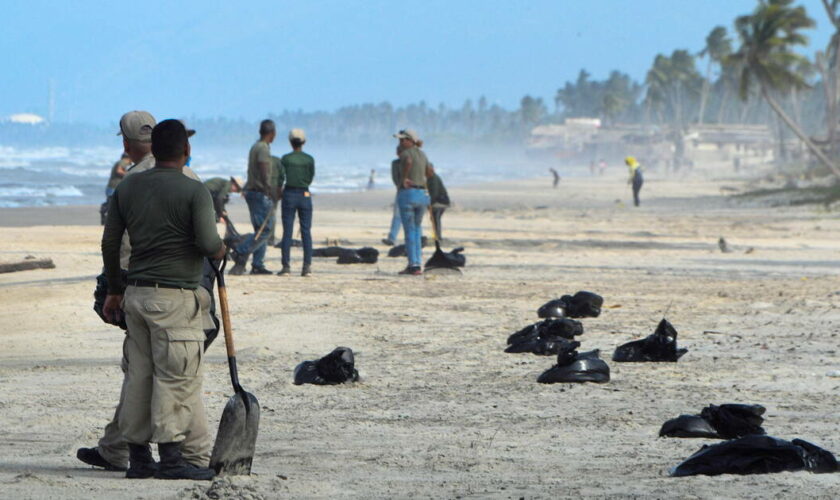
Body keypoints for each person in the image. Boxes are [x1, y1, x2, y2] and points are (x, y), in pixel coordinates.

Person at [78, 112, 217, 475]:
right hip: (178, 292)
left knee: (141, 375)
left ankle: (135, 456)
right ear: (185, 148)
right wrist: (219, 257)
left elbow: (112, 243)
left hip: (136, 292)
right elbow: (206, 242)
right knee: (178, 375)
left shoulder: (128, 185)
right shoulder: (192, 183)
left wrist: (115, 289)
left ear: (129, 145)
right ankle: (182, 458)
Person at [231, 120, 276, 275]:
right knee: (266, 230)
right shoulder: (262, 148)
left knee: (259, 229)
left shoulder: (255, 146)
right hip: (259, 192)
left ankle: (257, 264)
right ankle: (240, 251)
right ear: (271, 134)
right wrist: (269, 189)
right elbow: (264, 169)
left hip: (252, 191)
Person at [277, 129, 315, 277]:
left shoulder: (285, 158)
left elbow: (280, 178)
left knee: (287, 231)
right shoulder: (309, 159)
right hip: (304, 193)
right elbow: (310, 177)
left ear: (290, 142)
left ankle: (286, 266)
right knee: (306, 231)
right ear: (304, 142)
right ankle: (307, 266)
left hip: (289, 194)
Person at [394, 129, 431, 275]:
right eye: (400, 140)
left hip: (408, 194)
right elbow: (430, 172)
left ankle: (413, 265)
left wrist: (403, 178)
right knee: (416, 228)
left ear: (410, 140)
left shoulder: (405, 154)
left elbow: (408, 162)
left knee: (409, 230)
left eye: (403, 140)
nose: (401, 142)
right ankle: (418, 263)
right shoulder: (422, 154)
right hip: (422, 193)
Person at [100, 153, 131, 225]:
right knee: (113, 205)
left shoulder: (118, 162)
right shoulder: (123, 161)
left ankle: (104, 212)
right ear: (128, 158)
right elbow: (119, 170)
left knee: (111, 204)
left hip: (111, 187)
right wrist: (128, 174)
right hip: (114, 187)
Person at [382, 145, 403, 246]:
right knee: (397, 216)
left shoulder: (413, 161)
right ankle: (392, 237)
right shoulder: (395, 163)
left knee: (412, 217)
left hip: (412, 191)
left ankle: (420, 238)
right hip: (401, 190)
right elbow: (395, 178)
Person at [427, 166, 450, 241]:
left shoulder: (434, 179)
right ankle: (436, 235)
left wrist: (429, 203)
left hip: (441, 201)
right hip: (437, 201)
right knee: (434, 218)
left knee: (435, 217)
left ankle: (438, 236)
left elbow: (434, 194)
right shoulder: (429, 179)